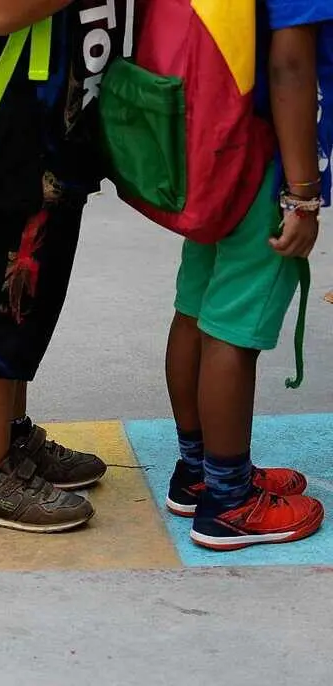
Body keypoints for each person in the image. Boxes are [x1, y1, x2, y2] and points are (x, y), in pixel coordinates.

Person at [161, 4, 328, 550]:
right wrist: (301, 195)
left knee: (197, 308)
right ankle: (229, 502)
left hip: (212, 143)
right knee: (233, 331)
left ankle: (198, 473)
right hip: (265, 156)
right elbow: (291, 63)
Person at [0, 0, 110, 532]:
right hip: (14, 125)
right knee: (1, 294)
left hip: (52, 123)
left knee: (30, 298)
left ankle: (9, 439)